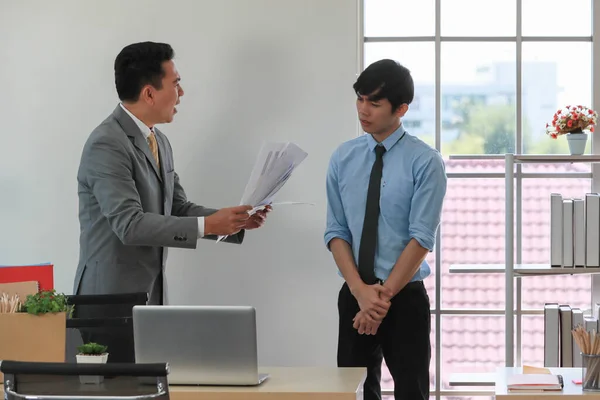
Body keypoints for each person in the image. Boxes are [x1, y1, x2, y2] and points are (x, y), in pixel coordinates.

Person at [72, 41, 269, 362]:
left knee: (152, 390)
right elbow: (130, 225)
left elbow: (177, 208)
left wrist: (232, 221)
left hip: (148, 299)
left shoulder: (158, 140)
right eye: (176, 84)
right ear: (150, 93)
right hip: (109, 304)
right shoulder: (106, 143)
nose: (182, 93)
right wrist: (208, 225)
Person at [324, 59, 447, 400]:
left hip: (404, 298)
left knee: (412, 393)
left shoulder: (425, 162)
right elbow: (335, 232)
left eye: (374, 103)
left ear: (401, 108)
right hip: (354, 294)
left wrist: (380, 301)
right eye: (360, 99)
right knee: (353, 394)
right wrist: (362, 293)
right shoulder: (342, 158)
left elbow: (421, 237)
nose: (363, 110)